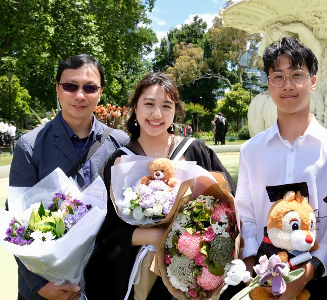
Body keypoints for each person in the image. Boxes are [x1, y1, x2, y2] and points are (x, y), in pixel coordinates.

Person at [84, 72, 236, 300]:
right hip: (139, 281)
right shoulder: (119, 161)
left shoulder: (195, 151)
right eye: (148, 104)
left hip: (194, 274)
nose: (157, 114)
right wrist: (155, 236)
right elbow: (102, 230)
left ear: (175, 110)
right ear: (135, 108)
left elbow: (228, 205)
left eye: (166, 105)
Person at [235, 37, 327, 299]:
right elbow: (245, 213)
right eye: (278, 76)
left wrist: (307, 273)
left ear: (313, 82)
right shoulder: (251, 151)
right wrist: (249, 263)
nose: (287, 85)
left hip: (317, 279)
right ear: (268, 83)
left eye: (297, 75)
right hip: (259, 275)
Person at [9, 54, 130, 300]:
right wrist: (39, 284)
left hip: (105, 281)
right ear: (57, 89)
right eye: (70, 86)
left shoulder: (121, 144)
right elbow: (15, 222)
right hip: (46, 288)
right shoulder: (29, 146)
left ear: (100, 92)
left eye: (90, 87)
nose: (80, 95)